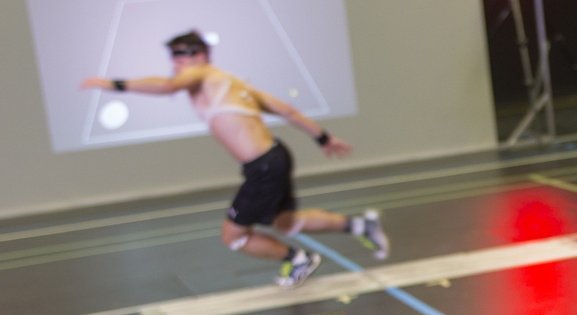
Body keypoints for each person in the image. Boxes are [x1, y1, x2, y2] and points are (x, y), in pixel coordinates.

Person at [82, 31, 387, 287]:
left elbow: (166, 87)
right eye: (173, 56)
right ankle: (362, 226)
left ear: (201, 55)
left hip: (264, 167)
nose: (177, 62)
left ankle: (297, 259)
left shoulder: (200, 74)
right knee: (286, 222)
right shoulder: (235, 84)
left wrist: (113, 84)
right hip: (274, 157)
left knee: (234, 237)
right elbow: (287, 111)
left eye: (183, 54)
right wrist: (323, 137)